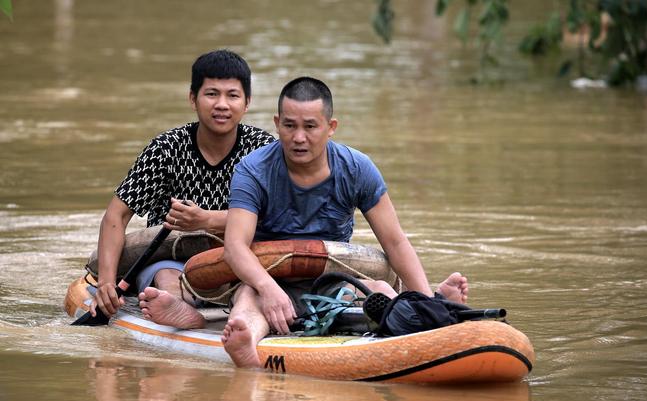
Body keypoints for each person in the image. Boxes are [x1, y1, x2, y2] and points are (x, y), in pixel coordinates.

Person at [220, 77, 469, 368]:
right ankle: (246, 343)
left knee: (379, 290)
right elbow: (235, 246)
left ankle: (432, 306)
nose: (299, 137)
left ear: (331, 127)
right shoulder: (252, 170)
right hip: (268, 279)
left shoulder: (357, 168)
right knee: (248, 299)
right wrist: (268, 288)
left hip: (333, 281)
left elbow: (395, 241)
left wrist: (427, 302)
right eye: (289, 126)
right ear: (277, 124)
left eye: (310, 127)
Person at [89, 49, 275, 328]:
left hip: (239, 257)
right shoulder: (166, 148)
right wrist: (105, 283)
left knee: (253, 281)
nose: (222, 104)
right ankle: (176, 308)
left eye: (232, 95)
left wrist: (208, 220)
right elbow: (116, 216)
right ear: (193, 99)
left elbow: (279, 215)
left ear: (247, 103)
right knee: (165, 278)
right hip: (171, 258)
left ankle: (244, 316)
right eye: (211, 94)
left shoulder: (263, 150)